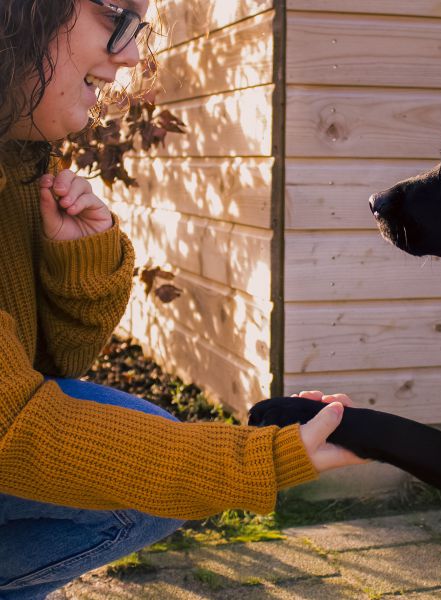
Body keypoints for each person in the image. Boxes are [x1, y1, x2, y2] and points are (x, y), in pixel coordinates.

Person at [0, 2, 363, 598]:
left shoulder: (21, 160)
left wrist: (77, 263)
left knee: (135, 485)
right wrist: (261, 459)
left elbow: (54, 370)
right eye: (116, 14)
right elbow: (15, 426)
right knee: (134, 484)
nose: (132, 52)